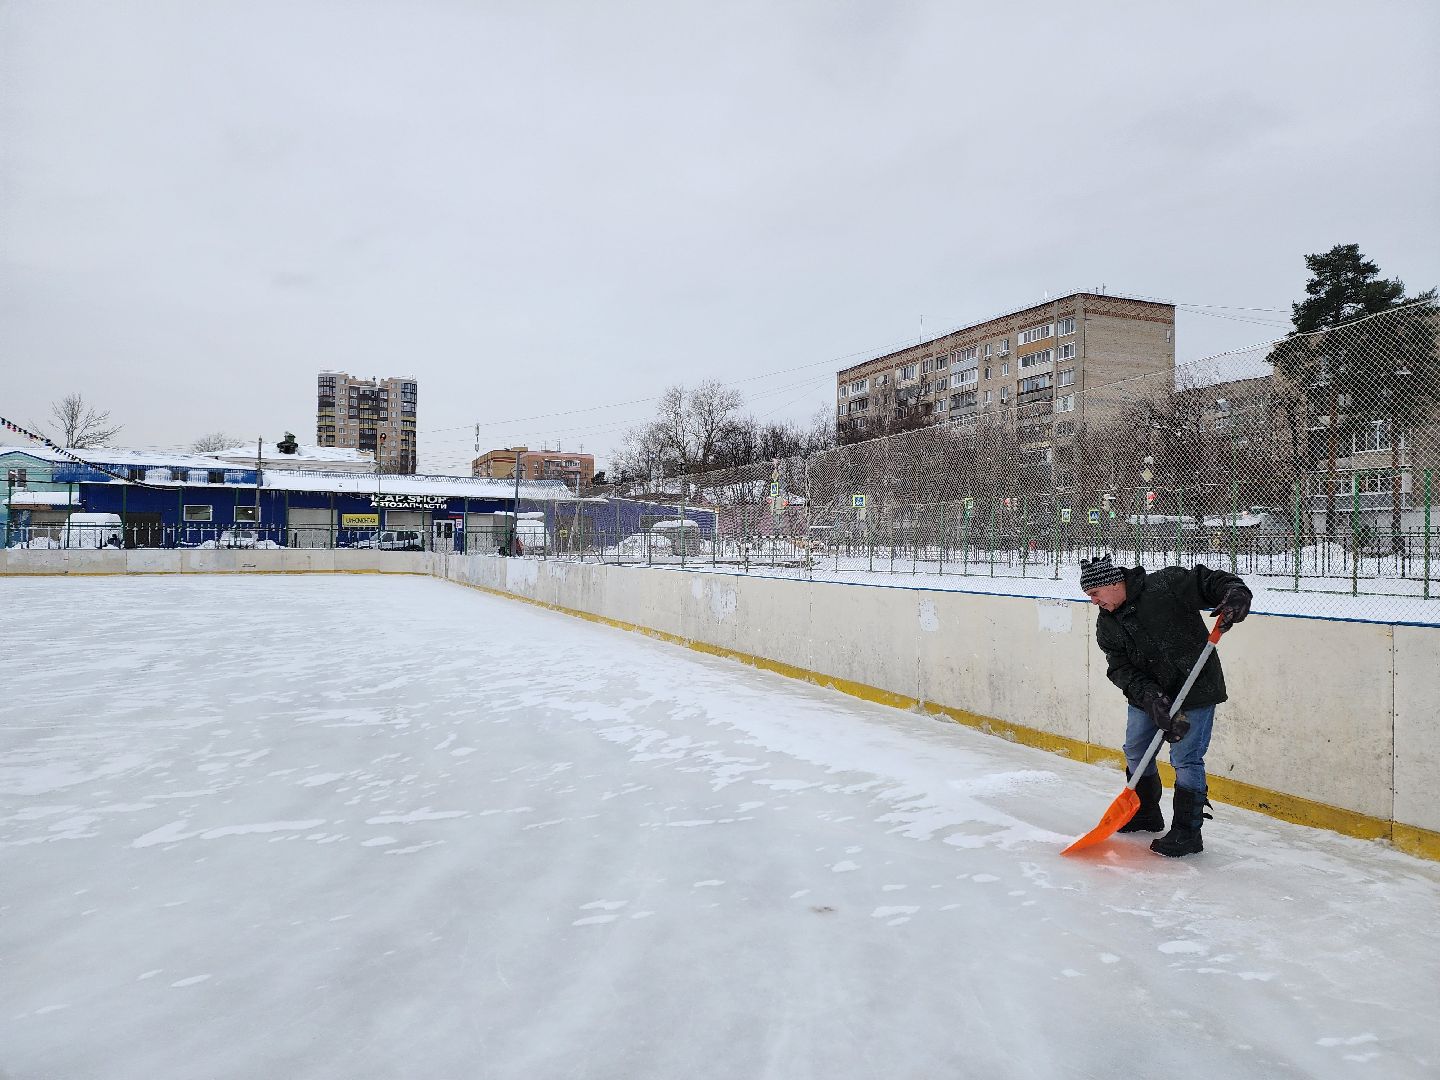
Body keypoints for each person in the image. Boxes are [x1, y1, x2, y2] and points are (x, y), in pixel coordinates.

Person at [1080, 554, 1252, 857]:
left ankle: (1188, 832)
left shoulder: (1166, 584)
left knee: (1185, 759)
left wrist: (1235, 593)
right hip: (1148, 697)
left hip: (1195, 690)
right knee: (1135, 750)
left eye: (1094, 593)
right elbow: (1119, 668)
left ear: (1112, 583)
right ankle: (1146, 813)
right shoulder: (1107, 624)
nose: (1093, 601)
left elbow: (1209, 582)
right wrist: (1150, 697)